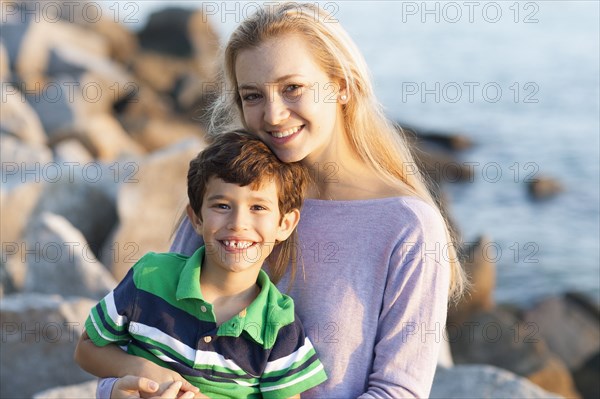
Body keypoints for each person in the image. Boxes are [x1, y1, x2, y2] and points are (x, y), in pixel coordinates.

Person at [91, 2, 467, 398]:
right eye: (252, 96)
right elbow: (154, 341)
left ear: (341, 85)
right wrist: (120, 388)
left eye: (292, 88)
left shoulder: (406, 226)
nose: (272, 115)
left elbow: (398, 393)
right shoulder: (227, 198)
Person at [75, 131, 328, 399]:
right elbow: (87, 349)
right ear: (196, 218)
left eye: (258, 208)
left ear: (285, 224)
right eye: (222, 205)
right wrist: (145, 370)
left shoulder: (279, 327)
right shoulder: (150, 277)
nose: (238, 223)